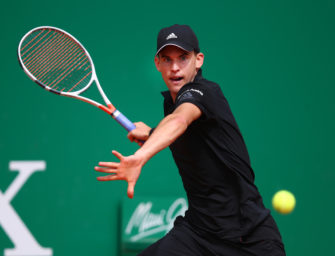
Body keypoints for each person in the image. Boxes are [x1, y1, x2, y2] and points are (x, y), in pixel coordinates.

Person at [95, 24, 286, 256]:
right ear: (157, 63)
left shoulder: (205, 92)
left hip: (249, 239)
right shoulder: (171, 103)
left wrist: (140, 157)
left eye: (183, 58)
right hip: (198, 234)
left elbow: (180, 121)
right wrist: (153, 132)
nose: (174, 68)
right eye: (167, 59)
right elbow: (179, 125)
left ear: (198, 60)